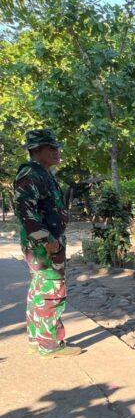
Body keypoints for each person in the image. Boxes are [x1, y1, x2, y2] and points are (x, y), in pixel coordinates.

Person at [14, 128, 81, 357]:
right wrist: (47, 240)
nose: (56, 151)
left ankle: (37, 338)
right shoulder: (30, 174)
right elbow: (25, 212)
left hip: (46, 242)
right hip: (44, 245)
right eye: (50, 147)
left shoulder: (42, 173)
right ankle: (50, 344)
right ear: (36, 150)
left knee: (40, 287)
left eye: (56, 147)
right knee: (52, 290)